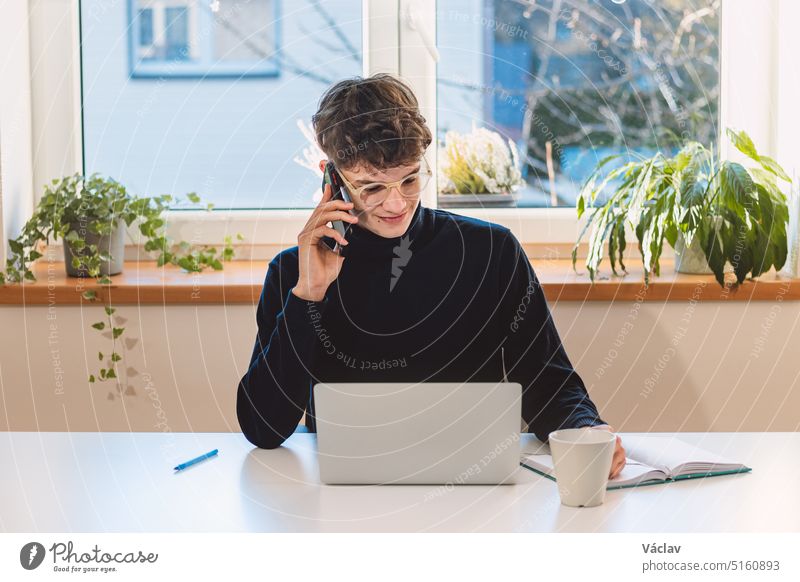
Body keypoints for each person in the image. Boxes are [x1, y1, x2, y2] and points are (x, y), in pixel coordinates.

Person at [236, 73, 626, 479]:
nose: (396, 203)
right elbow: (264, 427)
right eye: (371, 188)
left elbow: (549, 381)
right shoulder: (294, 273)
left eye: (410, 179)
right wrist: (309, 294)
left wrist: (584, 429)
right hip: (346, 500)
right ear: (331, 177)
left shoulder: (491, 251)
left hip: (474, 489)